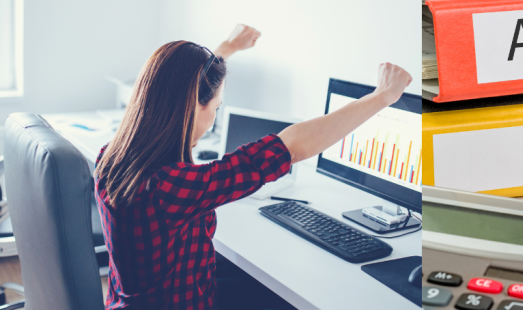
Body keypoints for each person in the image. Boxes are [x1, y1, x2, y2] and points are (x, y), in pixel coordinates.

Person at [93, 24, 412, 310]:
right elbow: (291, 147)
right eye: (216, 107)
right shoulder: (172, 187)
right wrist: (383, 96)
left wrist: (227, 49)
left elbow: (175, 85)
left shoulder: (112, 158)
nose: (214, 117)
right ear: (192, 106)